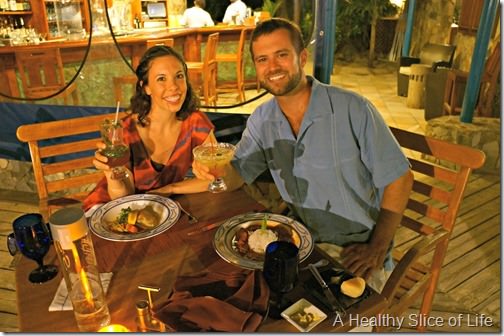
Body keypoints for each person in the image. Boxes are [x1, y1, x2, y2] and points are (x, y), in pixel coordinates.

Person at [193, 18, 414, 292]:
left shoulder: (352, 109)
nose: (272, 67)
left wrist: (378, 247)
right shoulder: (262, 120)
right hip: (300, 244)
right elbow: (237, 175)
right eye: (263, 59)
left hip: (357, 251)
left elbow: (400, 179)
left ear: (302, 57)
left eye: (281, 55)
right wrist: (215, 172)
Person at [83, 46, 215, 211]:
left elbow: (215, 177)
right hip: (109, 209)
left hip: (154, 211)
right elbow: (124, 196)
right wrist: (112, 175)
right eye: (161, 79)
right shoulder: (124, 131)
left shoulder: (195, 123)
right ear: (146, 87)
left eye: (179, 76)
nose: (174, 86)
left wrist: (171, 189)